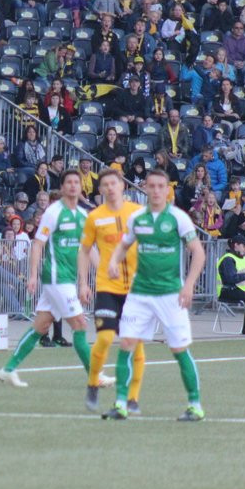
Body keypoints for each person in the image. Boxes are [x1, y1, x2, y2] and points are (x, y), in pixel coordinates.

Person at [104, 168, 206, 421]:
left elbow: (198, 252)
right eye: (152, 186)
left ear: (167, 189)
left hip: (171, 294)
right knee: (126, 344)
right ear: (146, 189)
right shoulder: (137, 219)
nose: (157, 190)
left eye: (161, 186)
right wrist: (114, 261)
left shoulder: (178, 218)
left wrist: (189, 284)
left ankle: (195, 405)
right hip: (140, 294)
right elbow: (124, 243)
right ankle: (120, 404)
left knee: (179, 349)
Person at [0, 171, 111, 388]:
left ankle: (8, 369)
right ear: (62, 187)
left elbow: (88, 249)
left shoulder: (83, 215)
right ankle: (95, 376)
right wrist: (32, 275)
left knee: (40, 326)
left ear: (81, 187)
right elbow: (38, 243)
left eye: (77, 182)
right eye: (69, 182)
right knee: (79, 324)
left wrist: (102, 272)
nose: (73, 186)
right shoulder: (54, 212)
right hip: (56, 277)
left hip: (67, 278)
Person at [77, 170, 146, 414]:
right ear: (101, 190)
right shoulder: (94, 217)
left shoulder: (138, 212)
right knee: (105, 338)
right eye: (105, 184)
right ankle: (93, 382)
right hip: (107, 285)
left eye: (113, 183)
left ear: (122, 187)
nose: (109, 188)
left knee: (135, 344)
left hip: (136, 289)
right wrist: (84, 283)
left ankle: (133, 398)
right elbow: (84, 251)